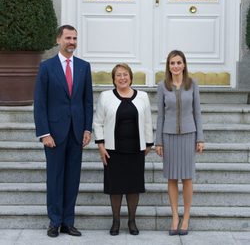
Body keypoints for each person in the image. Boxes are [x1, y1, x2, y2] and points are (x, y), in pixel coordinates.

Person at [34, 25, 93, 238]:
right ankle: (54, 221)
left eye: (75, 38)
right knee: (55, 178)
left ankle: (68, 222)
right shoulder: (46, 67)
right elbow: (40, 103)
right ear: (59, 39)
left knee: (72, 179)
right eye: (68, 38)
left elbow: (87, 101)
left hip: (77, 132)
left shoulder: (84, 67)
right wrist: (44, 133)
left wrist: (87, 128)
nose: (72, 42)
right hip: (54, 134)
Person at [93, 63, 154, 236]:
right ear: (113, 79)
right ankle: (116, 221)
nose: (122, 78)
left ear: (130, 77)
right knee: (116, 188)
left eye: (125, 74)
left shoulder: (143, 96)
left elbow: (148, 121)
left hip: (136, 150)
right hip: (113, 150)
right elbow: (98, 122)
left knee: (134, 187)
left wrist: (148, 144)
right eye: (118, 75)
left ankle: (132, 221)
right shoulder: (105, 96)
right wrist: (101, 145)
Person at [155, 50, 204, 236]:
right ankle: (175, 216)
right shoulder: (162, 86)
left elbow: (197, 112)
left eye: (178, 62)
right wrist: (158, 141)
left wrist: (200, 138)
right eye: (172, 63)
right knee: (172, 177)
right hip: (168, 136)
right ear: (168, 66)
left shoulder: (193, 84)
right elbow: (160, 115)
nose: (175, 66)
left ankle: (186, 217)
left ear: (184, 64)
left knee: (188, 178)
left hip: (188, 135)